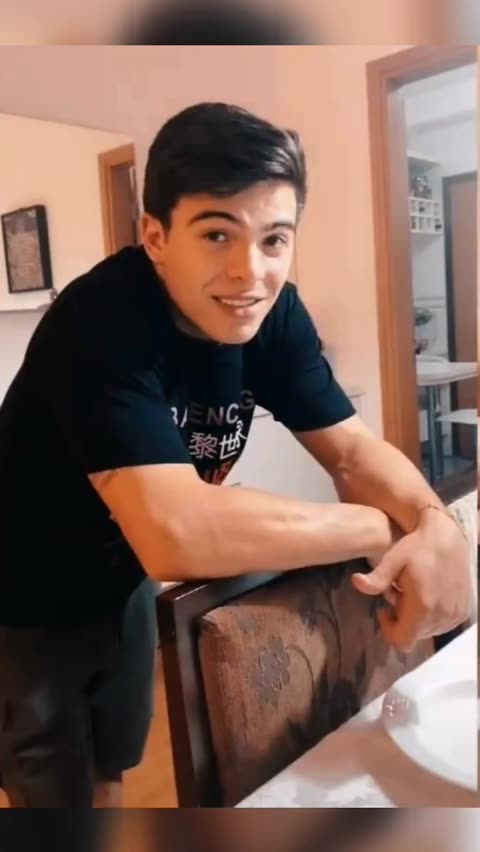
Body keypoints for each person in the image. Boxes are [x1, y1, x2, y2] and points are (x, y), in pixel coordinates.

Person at [0, 102, 471, 809]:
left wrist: (435, 523)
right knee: (53, 794)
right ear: (156, 236)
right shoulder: (99, 320)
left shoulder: (274, 315)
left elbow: (350, 450)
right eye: (217, 234)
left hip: (122, 579)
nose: (249, 272)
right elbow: (177, 532)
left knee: (111, 768)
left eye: (274, 239)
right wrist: (383, 529)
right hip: (23, 592)